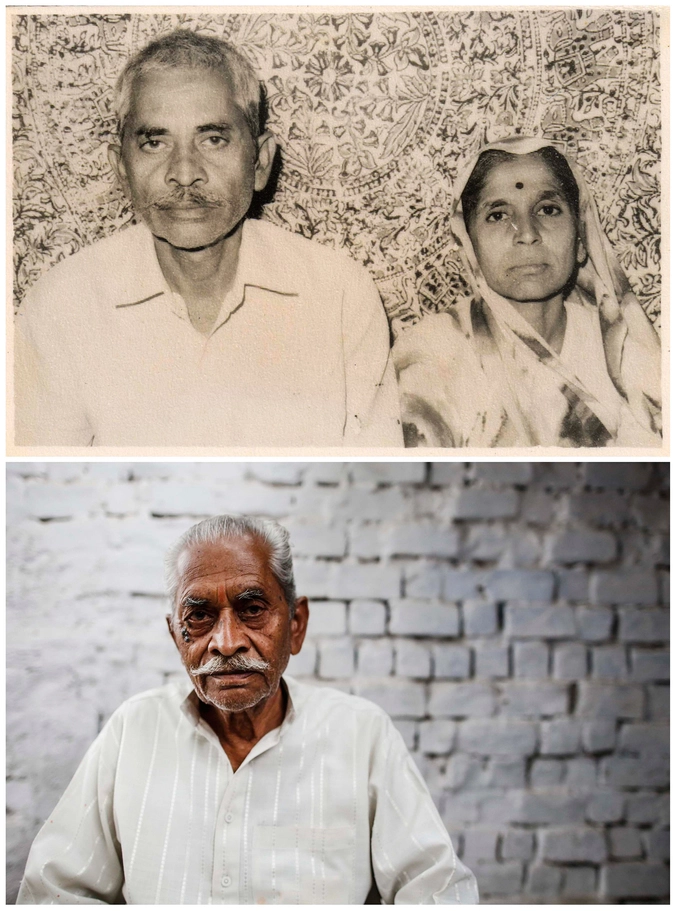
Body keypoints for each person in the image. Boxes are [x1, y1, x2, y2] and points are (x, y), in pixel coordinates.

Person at [16, 515, 478, 905]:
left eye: (252, 608)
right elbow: (54, 893)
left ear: (295, 626)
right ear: (177, 637)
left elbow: (437, 893)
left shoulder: (361, 733)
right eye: (198, 616)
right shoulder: (133, 731)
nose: (226, 641)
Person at [14, 29, 402, 449]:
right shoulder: (61, 305)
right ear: (121, 169)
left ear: (260, 162)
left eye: (213, 139)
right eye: (154, 141)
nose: (184, 172)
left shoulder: (339, 293)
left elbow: (372, 488)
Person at [393, 136, 662, 448]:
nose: (528, 234)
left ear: (579, 238)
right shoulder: (432, 351)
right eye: (498, 215)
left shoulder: (623, 347)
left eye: (548, 210)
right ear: (469, 246)